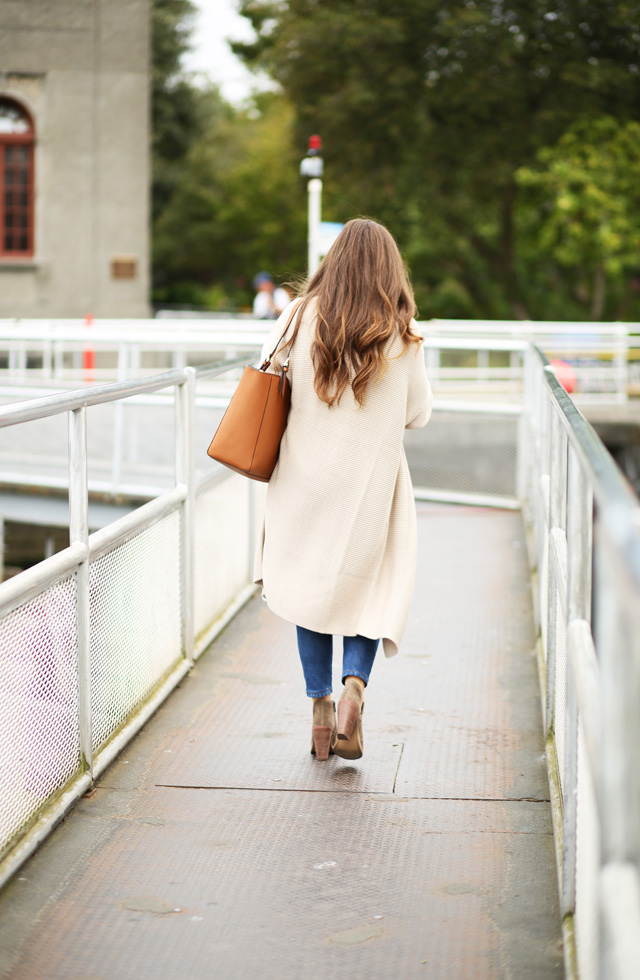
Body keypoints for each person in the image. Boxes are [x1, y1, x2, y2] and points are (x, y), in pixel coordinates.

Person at [253, 218, 433, 761]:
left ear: (332, 262)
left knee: (311, 589)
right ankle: (356, 685)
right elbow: (417, 414)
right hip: (371, 485)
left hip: (304, 479)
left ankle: (320, 706)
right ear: (388, 268)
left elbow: (265, 371)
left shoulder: (298, 316)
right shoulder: (402, 333)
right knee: (370, 588)